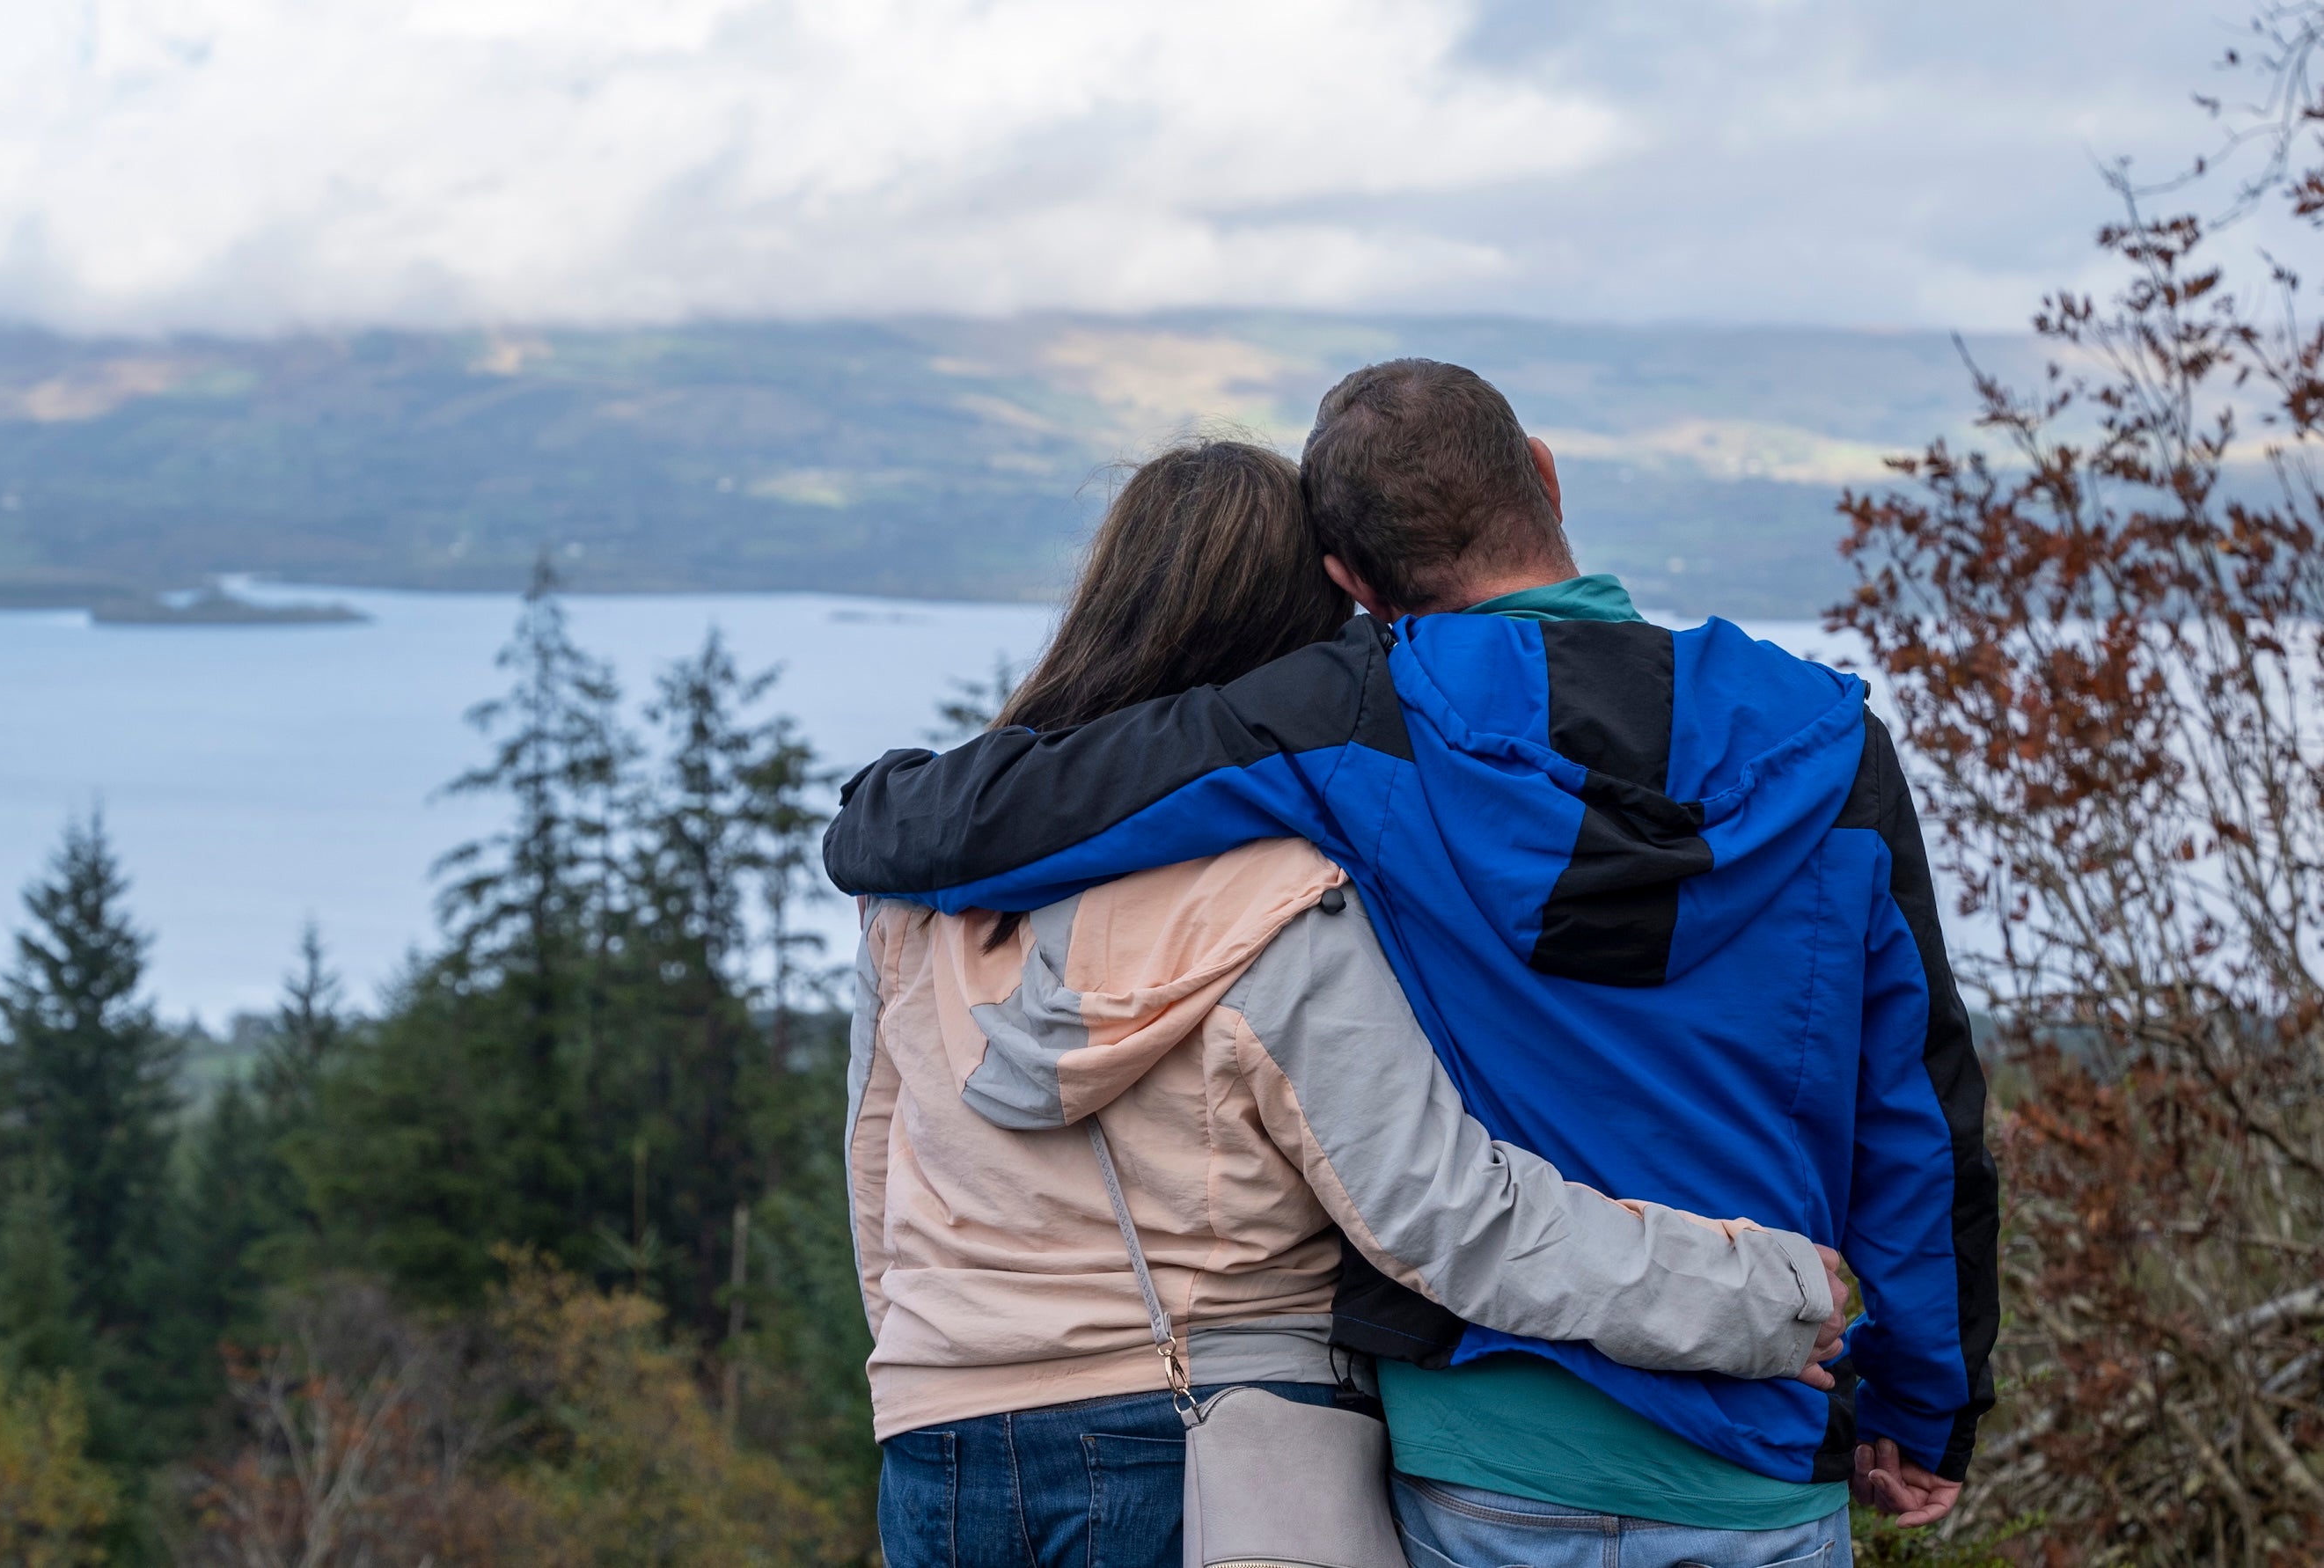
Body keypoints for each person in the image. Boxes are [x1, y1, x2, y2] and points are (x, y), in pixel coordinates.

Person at [828, 363, 2001, 1568]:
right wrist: (1922, 1406)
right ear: (1544, 471)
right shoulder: (1835, 745)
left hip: (1483, 1453)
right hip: (1755, 1449)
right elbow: (1917, 1106)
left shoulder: (1358, 719)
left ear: (1350, 583)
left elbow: (1045, 803)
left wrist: (877, 818)